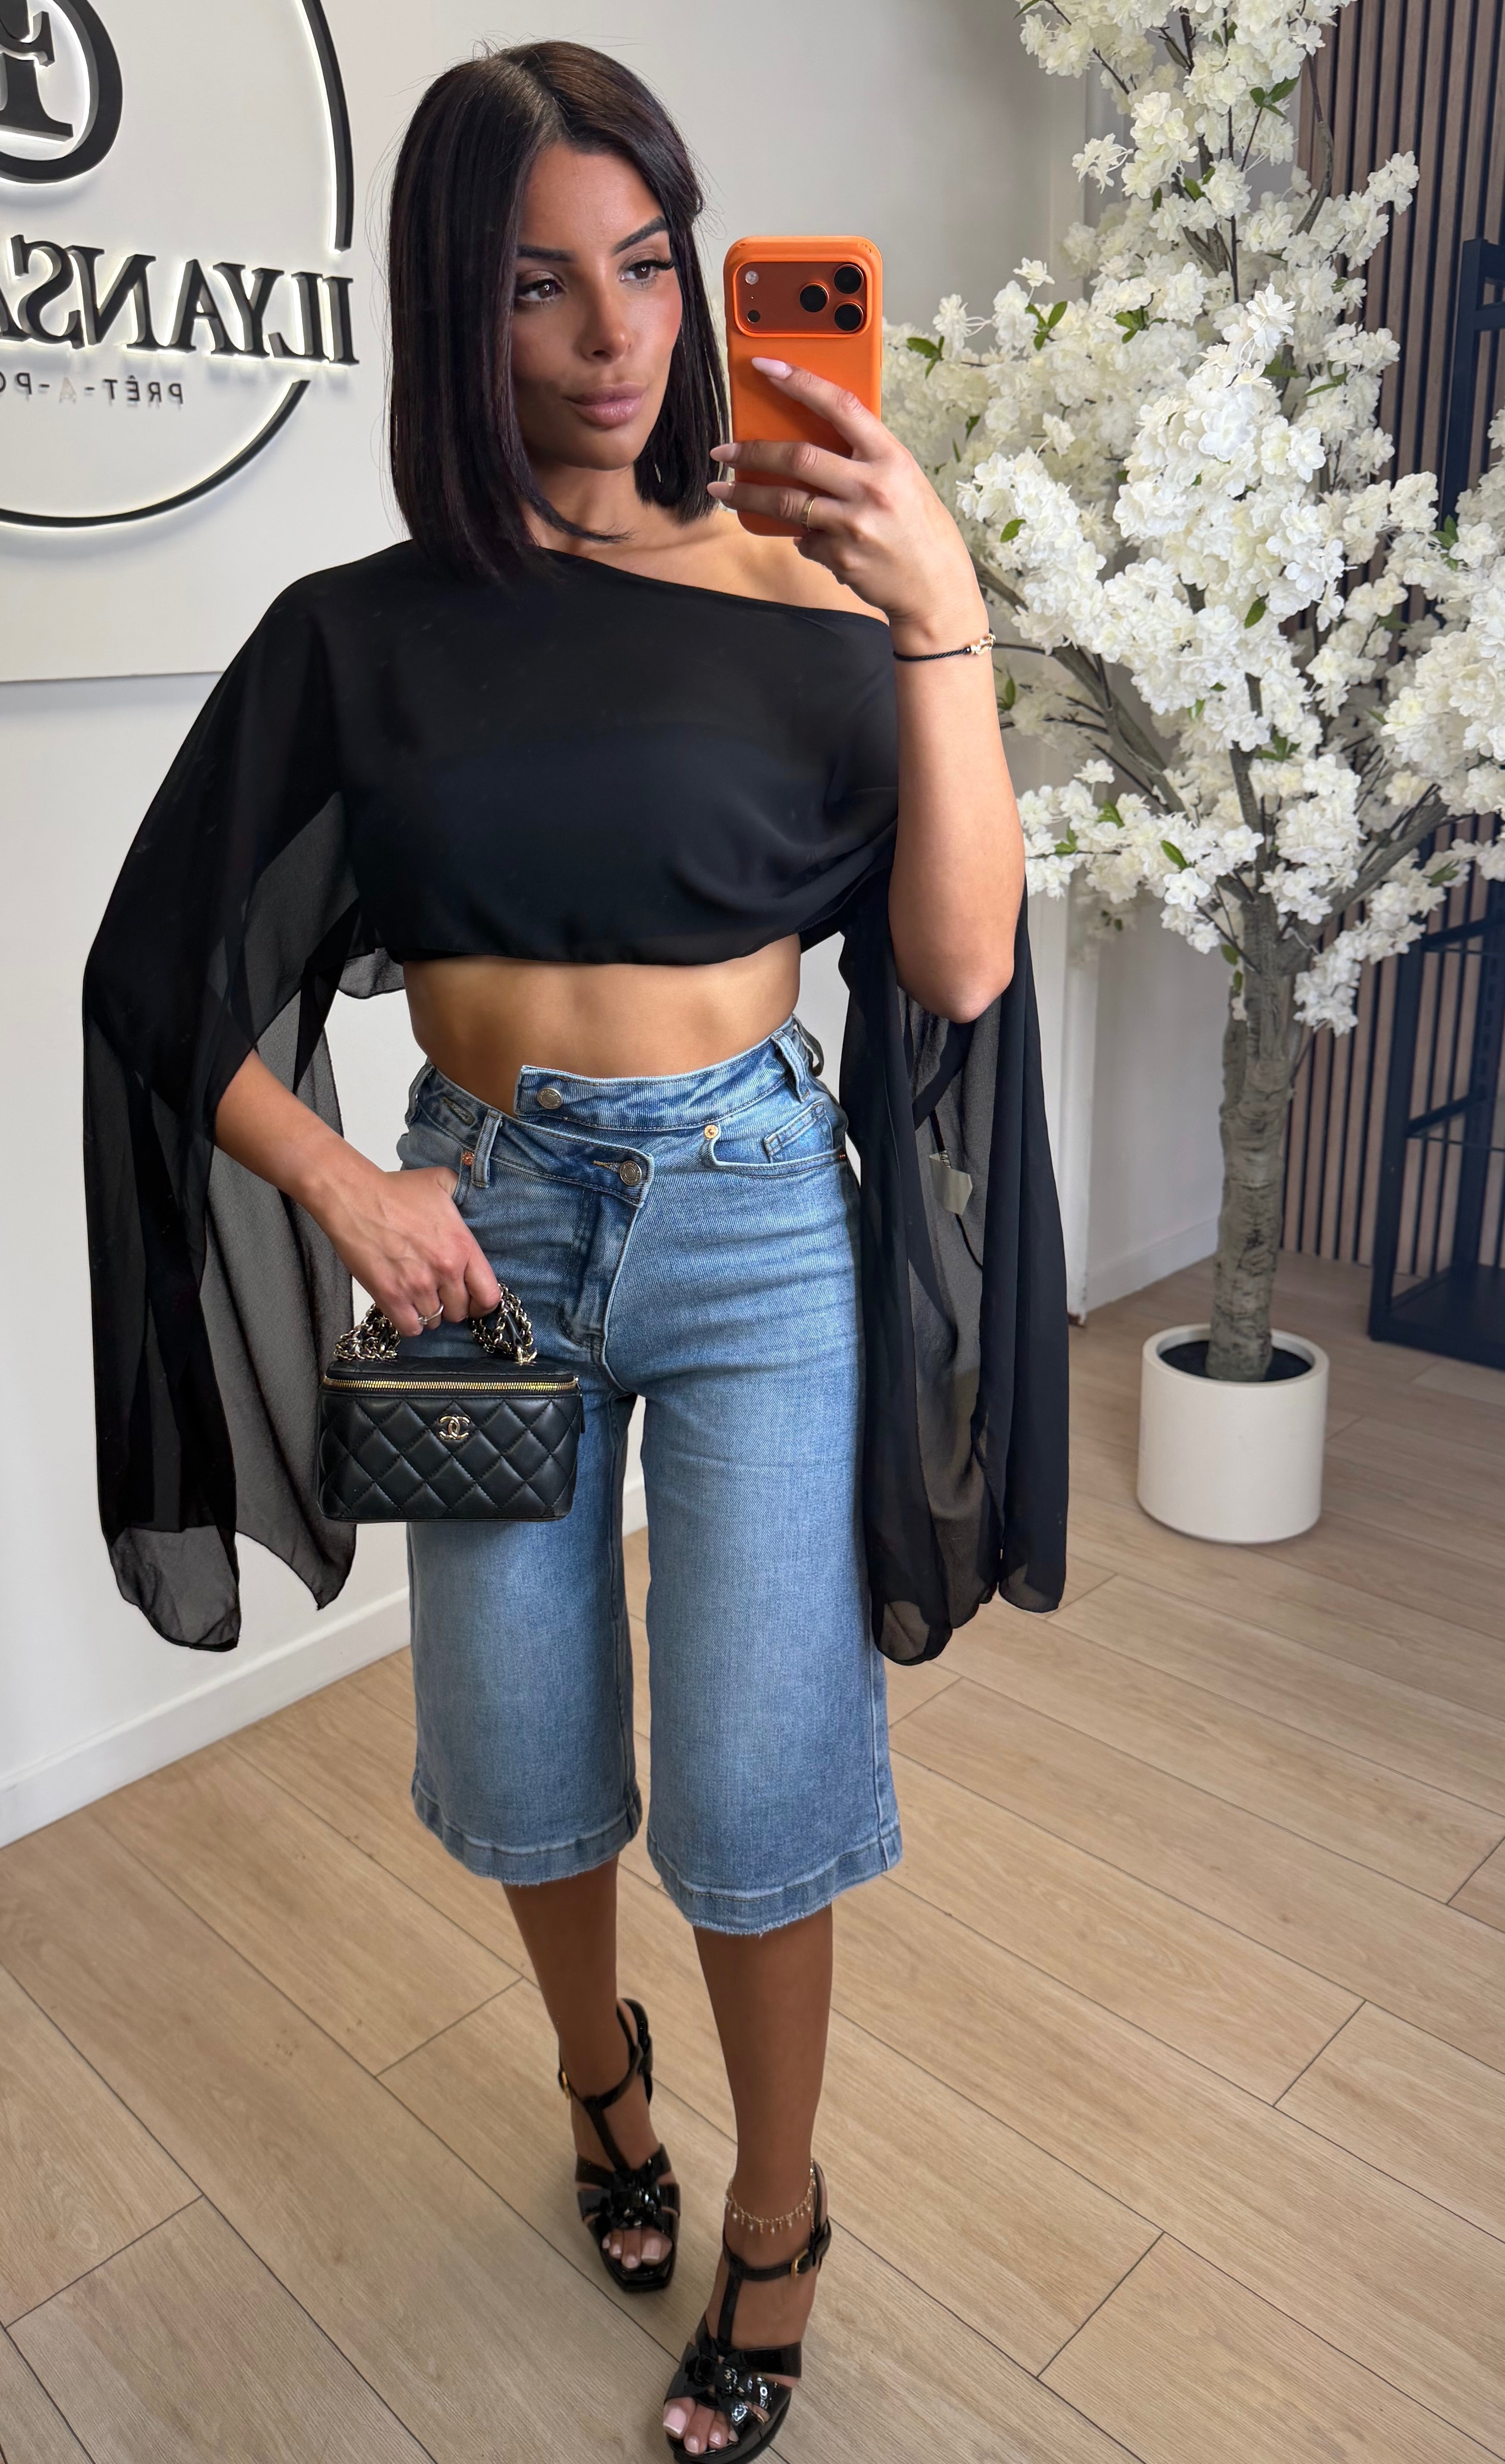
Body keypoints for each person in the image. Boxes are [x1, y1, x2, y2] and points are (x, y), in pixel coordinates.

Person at [83, 41, 1066, 2458]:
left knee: (757, 1779)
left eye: (645, 264)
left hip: (754, 1227)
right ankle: (600, 2089)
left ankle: (777, 2220)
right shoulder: (359, 634)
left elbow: (955, 963)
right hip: (479, 1232)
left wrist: (939, 605)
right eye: (540, 285)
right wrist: (349, 1191)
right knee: (521, 1757)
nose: (616, 333)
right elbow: (154, 978)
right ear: (458, 309)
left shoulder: (814, 597)